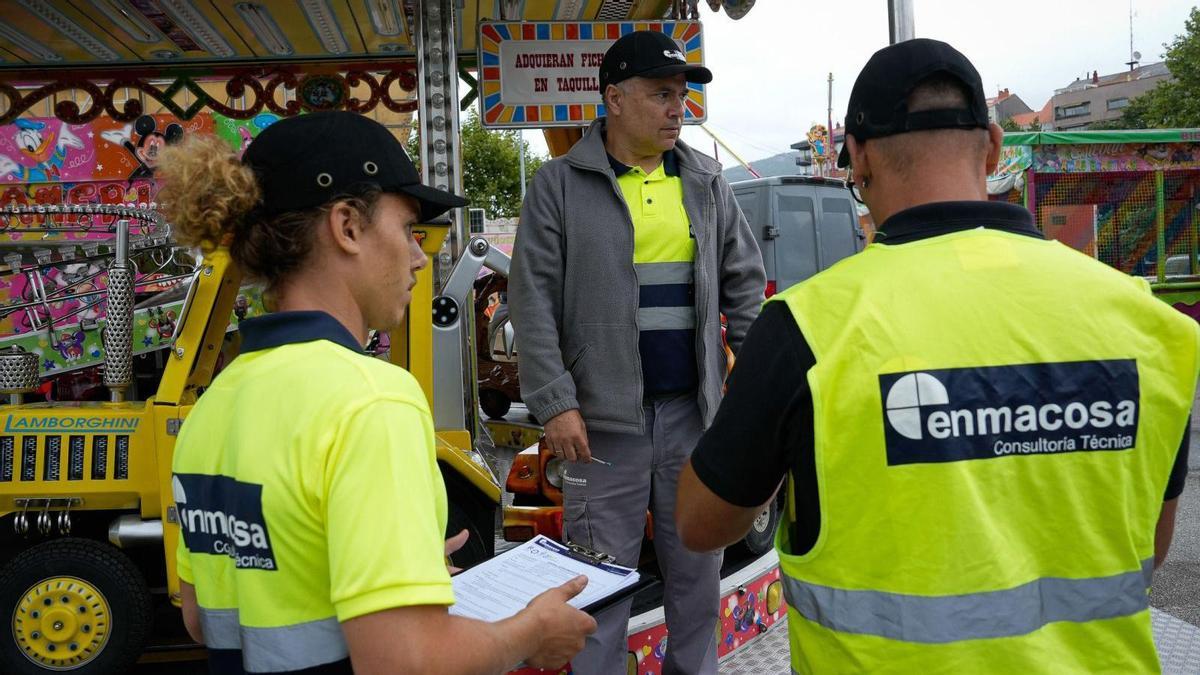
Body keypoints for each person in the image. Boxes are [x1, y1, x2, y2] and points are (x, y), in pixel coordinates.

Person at [675, 38, 1199, 674]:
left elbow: (701, 525)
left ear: (858, 162)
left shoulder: (807, 329)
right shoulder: (1149, 325)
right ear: (995, 145)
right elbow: (1148, 543)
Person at [159, 111, 596, 675]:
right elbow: (403, 662)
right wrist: (532, 632)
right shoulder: (373, 399)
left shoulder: (213, 405)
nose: (419, 256)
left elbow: (200, 616)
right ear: (346, 226)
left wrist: (390, 571)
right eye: (409, 229)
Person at [509, 30, 765, 675]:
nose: (678, 108)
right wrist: (556, 403)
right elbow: (532, 301)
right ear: (614, 99)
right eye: (661, 94)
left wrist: (754, 394)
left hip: (692, 419)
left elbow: (744, 287)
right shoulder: (559, 185)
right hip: (596, 428)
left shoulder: (706, 183)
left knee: (697, 579)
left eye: (682, 95)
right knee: (597, 587)